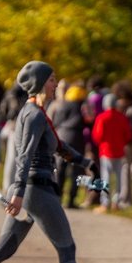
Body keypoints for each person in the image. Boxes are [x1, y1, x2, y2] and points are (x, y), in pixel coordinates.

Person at [0, 61, 119, 263]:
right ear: (40, 83)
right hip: (36, 190)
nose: (56, 83)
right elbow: (24, 155)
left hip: (31, 190)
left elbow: (57, 144)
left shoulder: (38, 112)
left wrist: (84, 162)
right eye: (51, 79)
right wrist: (17, 192)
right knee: (67, 247)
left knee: (3, 249)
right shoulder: (34, 114)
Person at [48, 81, 88, 209]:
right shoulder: (81, 106)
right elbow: (89, 121)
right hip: (76, 139)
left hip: (62, 138)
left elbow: (52, 122)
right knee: (76, 170)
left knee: (60, 170)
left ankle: (57, 198)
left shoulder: (59, 105)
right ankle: (71, 199)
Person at [91, 93, 132, 212]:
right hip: (119, 151)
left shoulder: (102, 117)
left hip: (106, 151)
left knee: (106, 177)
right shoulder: (122, 117)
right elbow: (128, 135)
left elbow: (97, 136)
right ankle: (116, 201)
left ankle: (105, 202)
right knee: (119, 178)